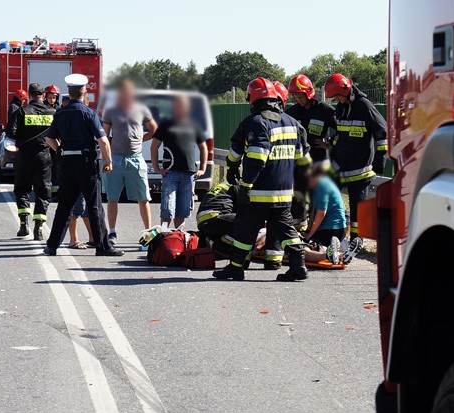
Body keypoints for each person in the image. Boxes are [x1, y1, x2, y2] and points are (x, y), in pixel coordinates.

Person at [213, 78, 307, 282]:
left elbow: (254, 156)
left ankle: (236, 267)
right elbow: (301, 157)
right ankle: (298, 265)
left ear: (252, 97)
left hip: (258, 191)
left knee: (244, 228)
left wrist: (243, 182)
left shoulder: (255, 122)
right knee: (285, 229)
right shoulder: (292, 122)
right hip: (283, 192)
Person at [43, 73, 122, 257]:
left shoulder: (60, 113)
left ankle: (52, 245)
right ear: (84, 91)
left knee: (64, 206)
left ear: (69, 93)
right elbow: (103, 140)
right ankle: (103, 247)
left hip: (67, 164)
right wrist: (108, 161)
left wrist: (60, 151)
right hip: (86, 165)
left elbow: (49, 139)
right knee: (94, 206)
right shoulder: (89, 113)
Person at [324, 73, 388, 242]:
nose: (336, 100)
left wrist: (380, 159)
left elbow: (382, 133)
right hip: (342, 168)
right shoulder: (342, 107)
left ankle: (356, 241)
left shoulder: (364, 106)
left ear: (345, 91)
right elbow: (341, 133)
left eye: (337, 96)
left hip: (361, 171)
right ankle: (335, 237)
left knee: (357, 212)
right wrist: (331, 143)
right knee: (331, 202)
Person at [101, 80, 158, 242]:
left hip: (136, 159)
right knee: (112, 197)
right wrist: (109, 153)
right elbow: (104, 134)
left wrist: (141, 140)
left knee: (143, 198)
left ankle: (148, 233)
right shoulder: (111, 110)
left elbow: (153, 129)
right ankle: (112, 232)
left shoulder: (141, 109)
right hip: (116, 159)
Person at [5, 83, 56, 240]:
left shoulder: (22, 111)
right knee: (43, 192)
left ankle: (23, 225)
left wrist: (23, 136)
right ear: (43, 95)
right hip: (44, 157)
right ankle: (39, 229)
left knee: (22, 190)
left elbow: (10, 132)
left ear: (29, 95)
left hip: (24, 156)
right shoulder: (53, 112)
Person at [150, 93, 208, 229]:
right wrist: (156, 168)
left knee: (183, 210)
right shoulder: (166, 125)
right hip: (170, 173)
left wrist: (202, 168)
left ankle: (179, 235)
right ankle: (164, 233)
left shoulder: (194, 125)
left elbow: (203, 148)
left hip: (189, 173)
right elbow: (154, 146)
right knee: (167, 208)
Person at [287, 74, 337, 170]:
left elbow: (342, 129)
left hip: (320, 162)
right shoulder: (292, 112)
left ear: (308, 93)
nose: (299, 100)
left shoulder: (325, 110)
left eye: (301, 97)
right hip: (299, 164)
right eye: (296, 98)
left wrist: (330, 144)